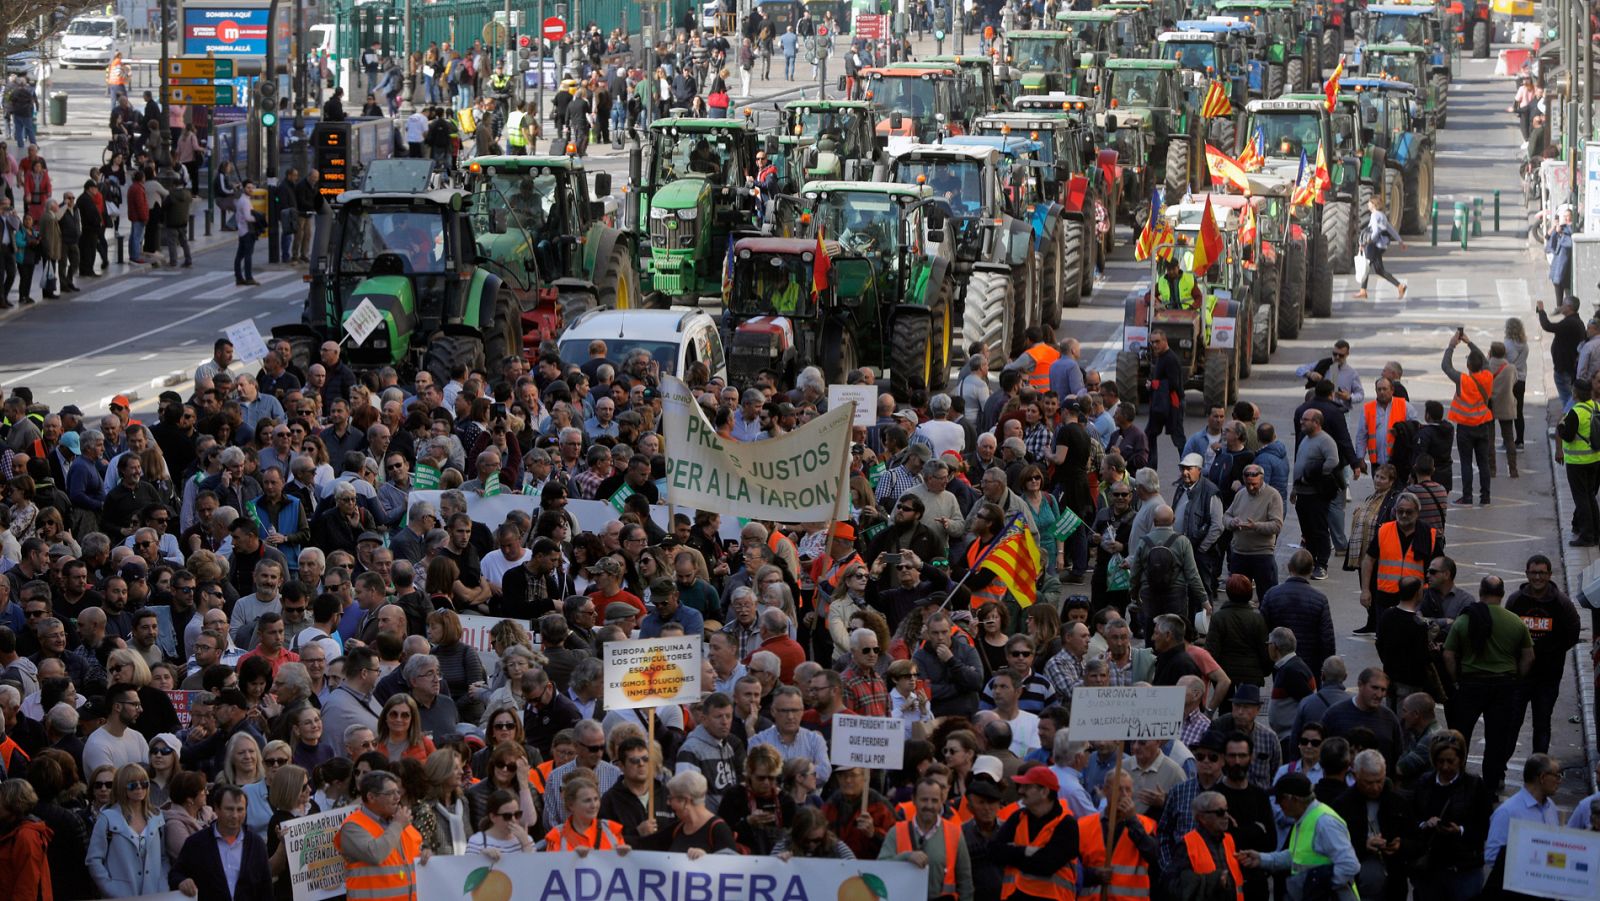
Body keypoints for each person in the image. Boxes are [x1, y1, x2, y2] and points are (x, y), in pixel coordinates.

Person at [1441, 576, 1532, 792]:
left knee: (1461, 735)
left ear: (1481, 593)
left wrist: (1456, 679)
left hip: (1471, 684)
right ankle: (1491, 786)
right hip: (1504, 686)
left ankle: (1456, 781)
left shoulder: (1465, 620)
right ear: (1501, 594)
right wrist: (1517, 677)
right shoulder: (1515, 621)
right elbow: (1529, 657)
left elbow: (1448, 655)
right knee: (1497, 738)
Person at [1236, 773, 1359, 901]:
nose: (1277, 804)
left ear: (1294, 799)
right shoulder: (1304, 818)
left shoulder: (1325, 822)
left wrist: (1318, 887)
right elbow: (1296, 856)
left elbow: (1350, 865)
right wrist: (1261, 859)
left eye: (1279, 799)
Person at [988, 765, 1079, 900]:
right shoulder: (1018, 818)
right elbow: (993, 851)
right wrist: (1025, 851)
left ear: (1044, 792)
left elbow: (1046, 865)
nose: (1020, 790)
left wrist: (1012, 852)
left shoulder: (1066, 824)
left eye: (1027, 787)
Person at [336, 770, 428, 898]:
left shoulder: (400, 821)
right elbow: (375, 854)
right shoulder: (352, 827)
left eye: (398, 792)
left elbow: (415, 853)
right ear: (371, 797)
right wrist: (397, 825)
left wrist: (426, 855)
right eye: (390, 793)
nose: (397, 797)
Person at [880, 775, 974, 901]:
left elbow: (965, 882)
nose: (929, 805)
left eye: (934, 801)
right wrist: (906, 857)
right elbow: (881, 868)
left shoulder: (955, 833)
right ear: (913, 800)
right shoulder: (896, 831)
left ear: (942, 802)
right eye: (924, 800)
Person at [171, 783, 271, 901]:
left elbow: (266, 889)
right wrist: (182, 881)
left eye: (240, 809)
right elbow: (175, 874)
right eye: (229, 809)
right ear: (216, 809)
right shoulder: (196, 843)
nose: (235, 815)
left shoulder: (256, 844)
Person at [1076, 768, 1158, 901]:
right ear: (1105, 791)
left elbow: (1155, 857)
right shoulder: (1083, 826)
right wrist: (1093, 875)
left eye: (1128, 790)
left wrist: (1132, 821)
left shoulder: (1146, 825)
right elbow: (1072, 870)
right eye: (1119, 789)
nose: (1125, 795)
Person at [88, 762, 168, 896]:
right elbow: (93, 859)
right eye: (132, 785)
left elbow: (163, 857)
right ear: (121, 787)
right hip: (119, 895)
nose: (139, 788)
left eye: (144, 784)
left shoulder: (157, 817)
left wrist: (163, 885)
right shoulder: (106, 818)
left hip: (154, 894)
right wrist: (110, 888)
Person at [1441, 331, 1495, 505]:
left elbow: (1446, 366)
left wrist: (1451, 345)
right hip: (1483, 425)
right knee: (1483, 463)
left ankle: (1468, 496)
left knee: (1466, 463)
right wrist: (1469, 342)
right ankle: (1485, 496)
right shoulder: (1488, 376)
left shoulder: (1463, 380)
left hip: (1465, 427)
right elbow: (1485, 361)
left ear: (1468, 366)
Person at [1171, 789, 1246, 901]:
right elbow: (1176, 887)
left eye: (1226, 811)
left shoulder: (1229, 840)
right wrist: (1213, 881)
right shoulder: (1187, 844)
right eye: (1219, 812)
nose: (1226, 816)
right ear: (1202, 818)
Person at [1556, 379, 1600, 547]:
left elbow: (1567, 435)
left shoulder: (1576, 412)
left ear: (1575, 393)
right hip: (1596, 459)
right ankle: (1596, 533)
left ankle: (1587, 536)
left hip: (1578, 462)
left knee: (1581, 498)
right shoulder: (1596, 407)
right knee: (1590, 496)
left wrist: (1561, 426)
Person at [1352, 196, 1406, 299]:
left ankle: (1363, 291)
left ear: (1373, 204)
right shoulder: (1382, 216)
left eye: (1369, 203)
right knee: (1379, 270)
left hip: (1374, 245)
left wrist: (1366, 241)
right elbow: (1391, 230)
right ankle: (1400, 286)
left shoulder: (1374, 215)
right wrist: (1400, 241)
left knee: (1366, 267)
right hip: (1381, 246)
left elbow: (1375, 231)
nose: (1368, 204)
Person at [1546, 204, 1574, 303]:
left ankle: (1567, 304)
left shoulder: (1572, 227)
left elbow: (1570, 242)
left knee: (1566, 284)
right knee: (1557, 282)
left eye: (1568, 216)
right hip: (1558, 260)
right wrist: (1555, 227)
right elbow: (1549, 238)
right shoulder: (1562, 227)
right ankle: (1559, 305)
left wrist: (1562, 232)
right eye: (1564, 216)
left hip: (1567, 260)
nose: (1566, 218)